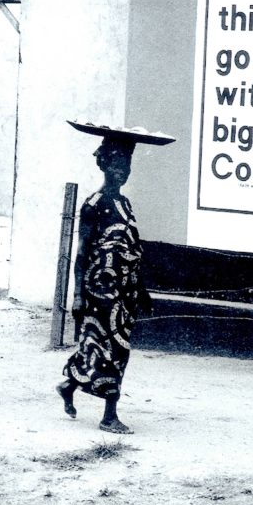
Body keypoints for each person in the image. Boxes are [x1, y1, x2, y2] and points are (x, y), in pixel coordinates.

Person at [56, 121, 174, 434]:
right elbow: (82, 253)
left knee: (98, 345)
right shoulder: (94, 205)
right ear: (105, 163)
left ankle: (69, 385)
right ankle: (109, 415)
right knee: (115, 349)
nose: (124, 170)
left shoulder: (124, 203)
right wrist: (77, 295)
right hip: (99, 291)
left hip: (124, 293)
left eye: (128, 164)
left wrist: (141, 289)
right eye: (119, 163)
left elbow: (130, 250)